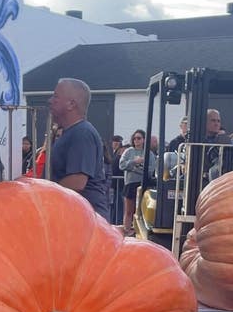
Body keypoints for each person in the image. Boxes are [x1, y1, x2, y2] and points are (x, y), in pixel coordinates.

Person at [43, 77, 112, 216]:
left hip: (86, 220)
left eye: (56, 96)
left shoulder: (82, 133)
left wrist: (42, 194)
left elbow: (77, 182)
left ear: (71, 104)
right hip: (78, 218)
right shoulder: (72, 133)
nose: (50, 100)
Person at [118, 129, 155, 232]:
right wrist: (135, 162)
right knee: (128, 210)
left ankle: (139, 232)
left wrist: (134, 168)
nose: (136, 140)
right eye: (134, 138)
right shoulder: (128, 151)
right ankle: (126, 230)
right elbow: (122, 165)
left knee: (140, 211)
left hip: (143, 184)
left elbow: (150, 170)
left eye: (139, 138)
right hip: (130, 184)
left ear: (144, 139)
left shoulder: (149, 154)